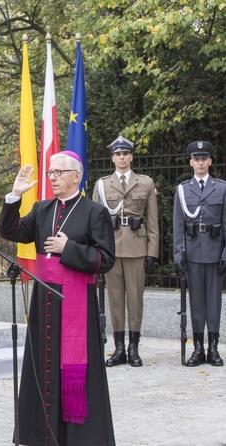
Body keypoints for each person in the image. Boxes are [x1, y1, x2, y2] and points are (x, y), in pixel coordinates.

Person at [0, 151, 116, 446]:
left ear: (76, 175)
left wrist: (70, 249)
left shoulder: (94, 212)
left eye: (58, 172)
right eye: (50, 173)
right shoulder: (42, 209)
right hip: (44, 301)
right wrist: (14, 196)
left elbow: (106, 259)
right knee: (43, 365)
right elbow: (10, 231)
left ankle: (80, 438)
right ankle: (42, 435)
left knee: (76, 370)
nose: (52, 177)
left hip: (77, 304)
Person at [92, 136, 159, 367]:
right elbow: (95, 223)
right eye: (118, 154)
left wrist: (152, 252)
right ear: (113, 158)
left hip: (137, 247)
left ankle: (134, 347)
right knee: (115, 300)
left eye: (125, 154)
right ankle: (119, 348)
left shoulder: (145, 183)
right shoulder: (102, 184)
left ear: (131, 157)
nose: (122, 158)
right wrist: (96, 252)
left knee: (136, 300)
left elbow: (153, 221)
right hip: (111, 249)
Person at [173, 141, 225, 367]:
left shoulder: (222, 187)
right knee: (196, 302)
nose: (201, 162)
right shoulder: (183, 190)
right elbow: (178, 225)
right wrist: (178, 254)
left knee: (214, 302)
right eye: (197, 159)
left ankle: (213, 348)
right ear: (191, 162)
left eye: (205, 159)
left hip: (215, 252)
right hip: (193, 252)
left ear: (210, 161)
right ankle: (197, 348)